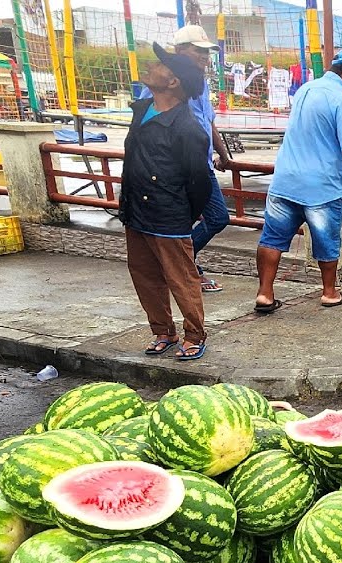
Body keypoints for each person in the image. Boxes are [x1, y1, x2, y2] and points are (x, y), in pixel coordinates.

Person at [254, 49, 342, 313]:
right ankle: (330, 292)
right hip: (321, 186)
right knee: (327, 240)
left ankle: (265, 294)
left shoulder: (306, 90)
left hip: (285, 180)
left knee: (272, 239)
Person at [119, 44, 212, 361]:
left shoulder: (187, 129)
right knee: (144, 274)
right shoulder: (142, 110)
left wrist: (183, 215)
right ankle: (163, 331)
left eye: (160, 66)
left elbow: (199, 182)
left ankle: (194, 335)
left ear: (173, 83)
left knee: (181, 279)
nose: (151, 67)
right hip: (136, 211)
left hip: (168, 213)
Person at [137, 25, 233, 293]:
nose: (204, 56)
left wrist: (223, 155)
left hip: (200, 166)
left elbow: (208, 121)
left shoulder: (199, 82)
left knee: (215, 217)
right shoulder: (164, 79)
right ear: (179, 51)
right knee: (207, 218)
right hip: (173, 169)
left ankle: (179, 265)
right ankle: (181, 267)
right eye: (197, 50)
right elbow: (146, 123)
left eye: (206, 51)